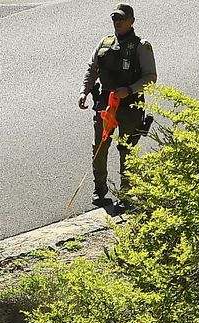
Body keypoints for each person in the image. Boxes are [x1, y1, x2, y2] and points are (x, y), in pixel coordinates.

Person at [80, 4, 157, 205]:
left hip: (130, 105)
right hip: (105, 104)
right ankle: (100, 191)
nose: (118, 22)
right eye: (115, 18)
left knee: (127, 149)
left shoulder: (141, 46)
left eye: (122, 19)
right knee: (100, 146)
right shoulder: (104, 43)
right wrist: (84, 90)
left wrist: (130, 90)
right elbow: (92, 69)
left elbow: (150, 77)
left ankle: (126, 193)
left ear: (132, 21)